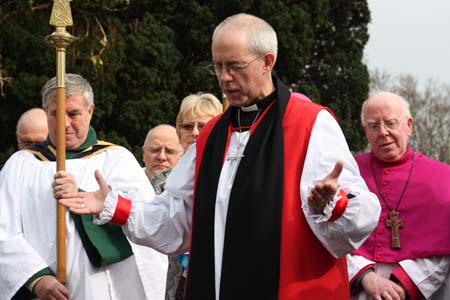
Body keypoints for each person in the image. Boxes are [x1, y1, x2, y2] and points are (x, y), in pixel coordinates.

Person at [58, 14, 381, 300]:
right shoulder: (212, 134)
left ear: (267, 61)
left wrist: (334, 204)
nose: (224, 78)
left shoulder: (309, 123)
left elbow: (359, 212)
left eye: (235, 66)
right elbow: (178, 218)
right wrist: (115, 207)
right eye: (217, 66)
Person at [0, 74, 167, 300]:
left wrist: (82, 198)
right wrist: (36, 278)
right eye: (55, 114)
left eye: (73, 113)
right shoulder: (20, 165)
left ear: (90, 111)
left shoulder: (117, 161)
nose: (64, 123)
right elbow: (4, 232)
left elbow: (147, 227)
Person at [347, 91, 450, 300]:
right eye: (374, 126)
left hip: (420, 291)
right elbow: (330, 240)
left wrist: (403, 284)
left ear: (409, 125)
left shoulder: (444, 178)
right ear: (366, 131)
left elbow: (443, 248)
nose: (383, 133)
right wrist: (365, 276)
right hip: (358, 288)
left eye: (391, 123)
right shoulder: (348, 174)